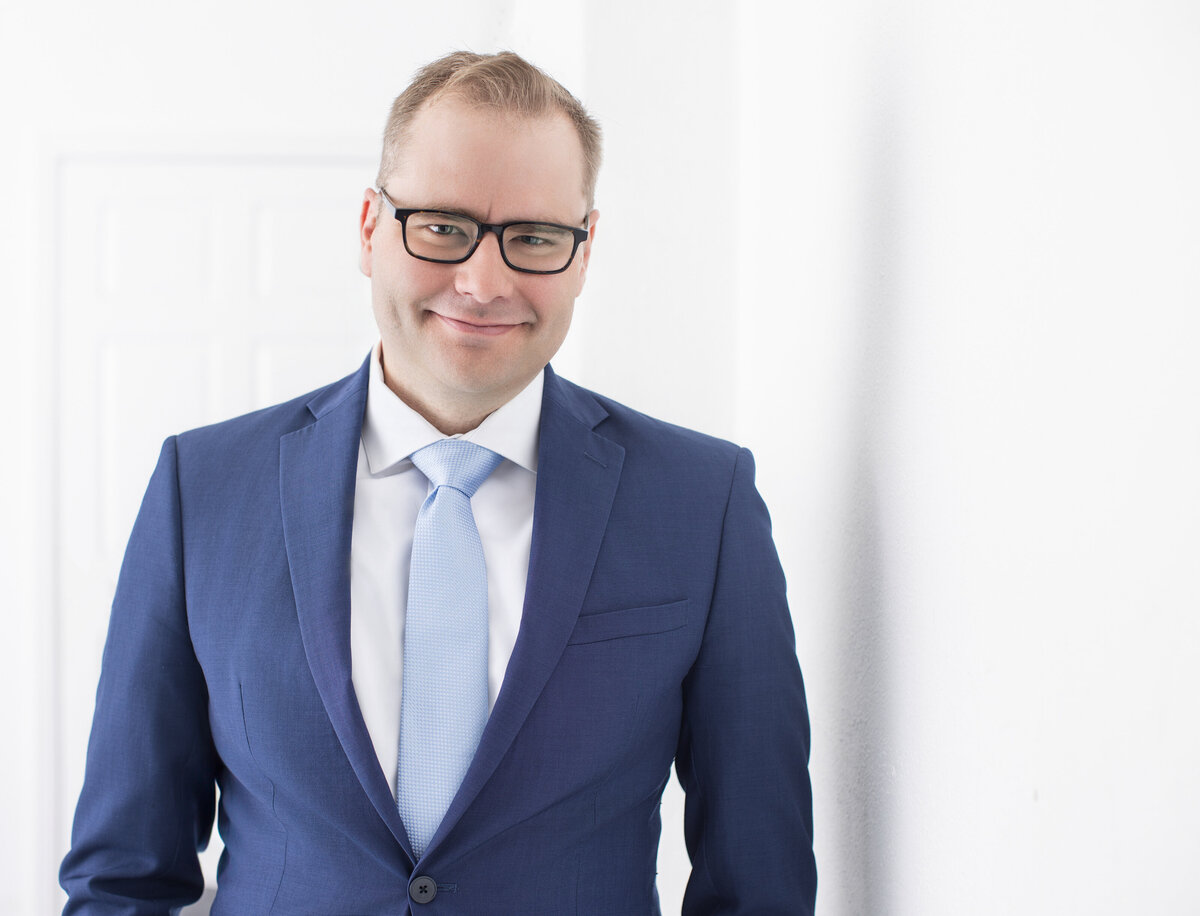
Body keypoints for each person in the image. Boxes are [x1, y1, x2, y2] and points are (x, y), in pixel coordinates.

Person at [60, 51, 816, 915]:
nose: (485, 283)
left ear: (584, 250)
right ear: (369, 228)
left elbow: (761, 885)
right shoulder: (203, 489)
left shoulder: (701, 503)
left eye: (532, 237)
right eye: (444, 227)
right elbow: (121, 877)